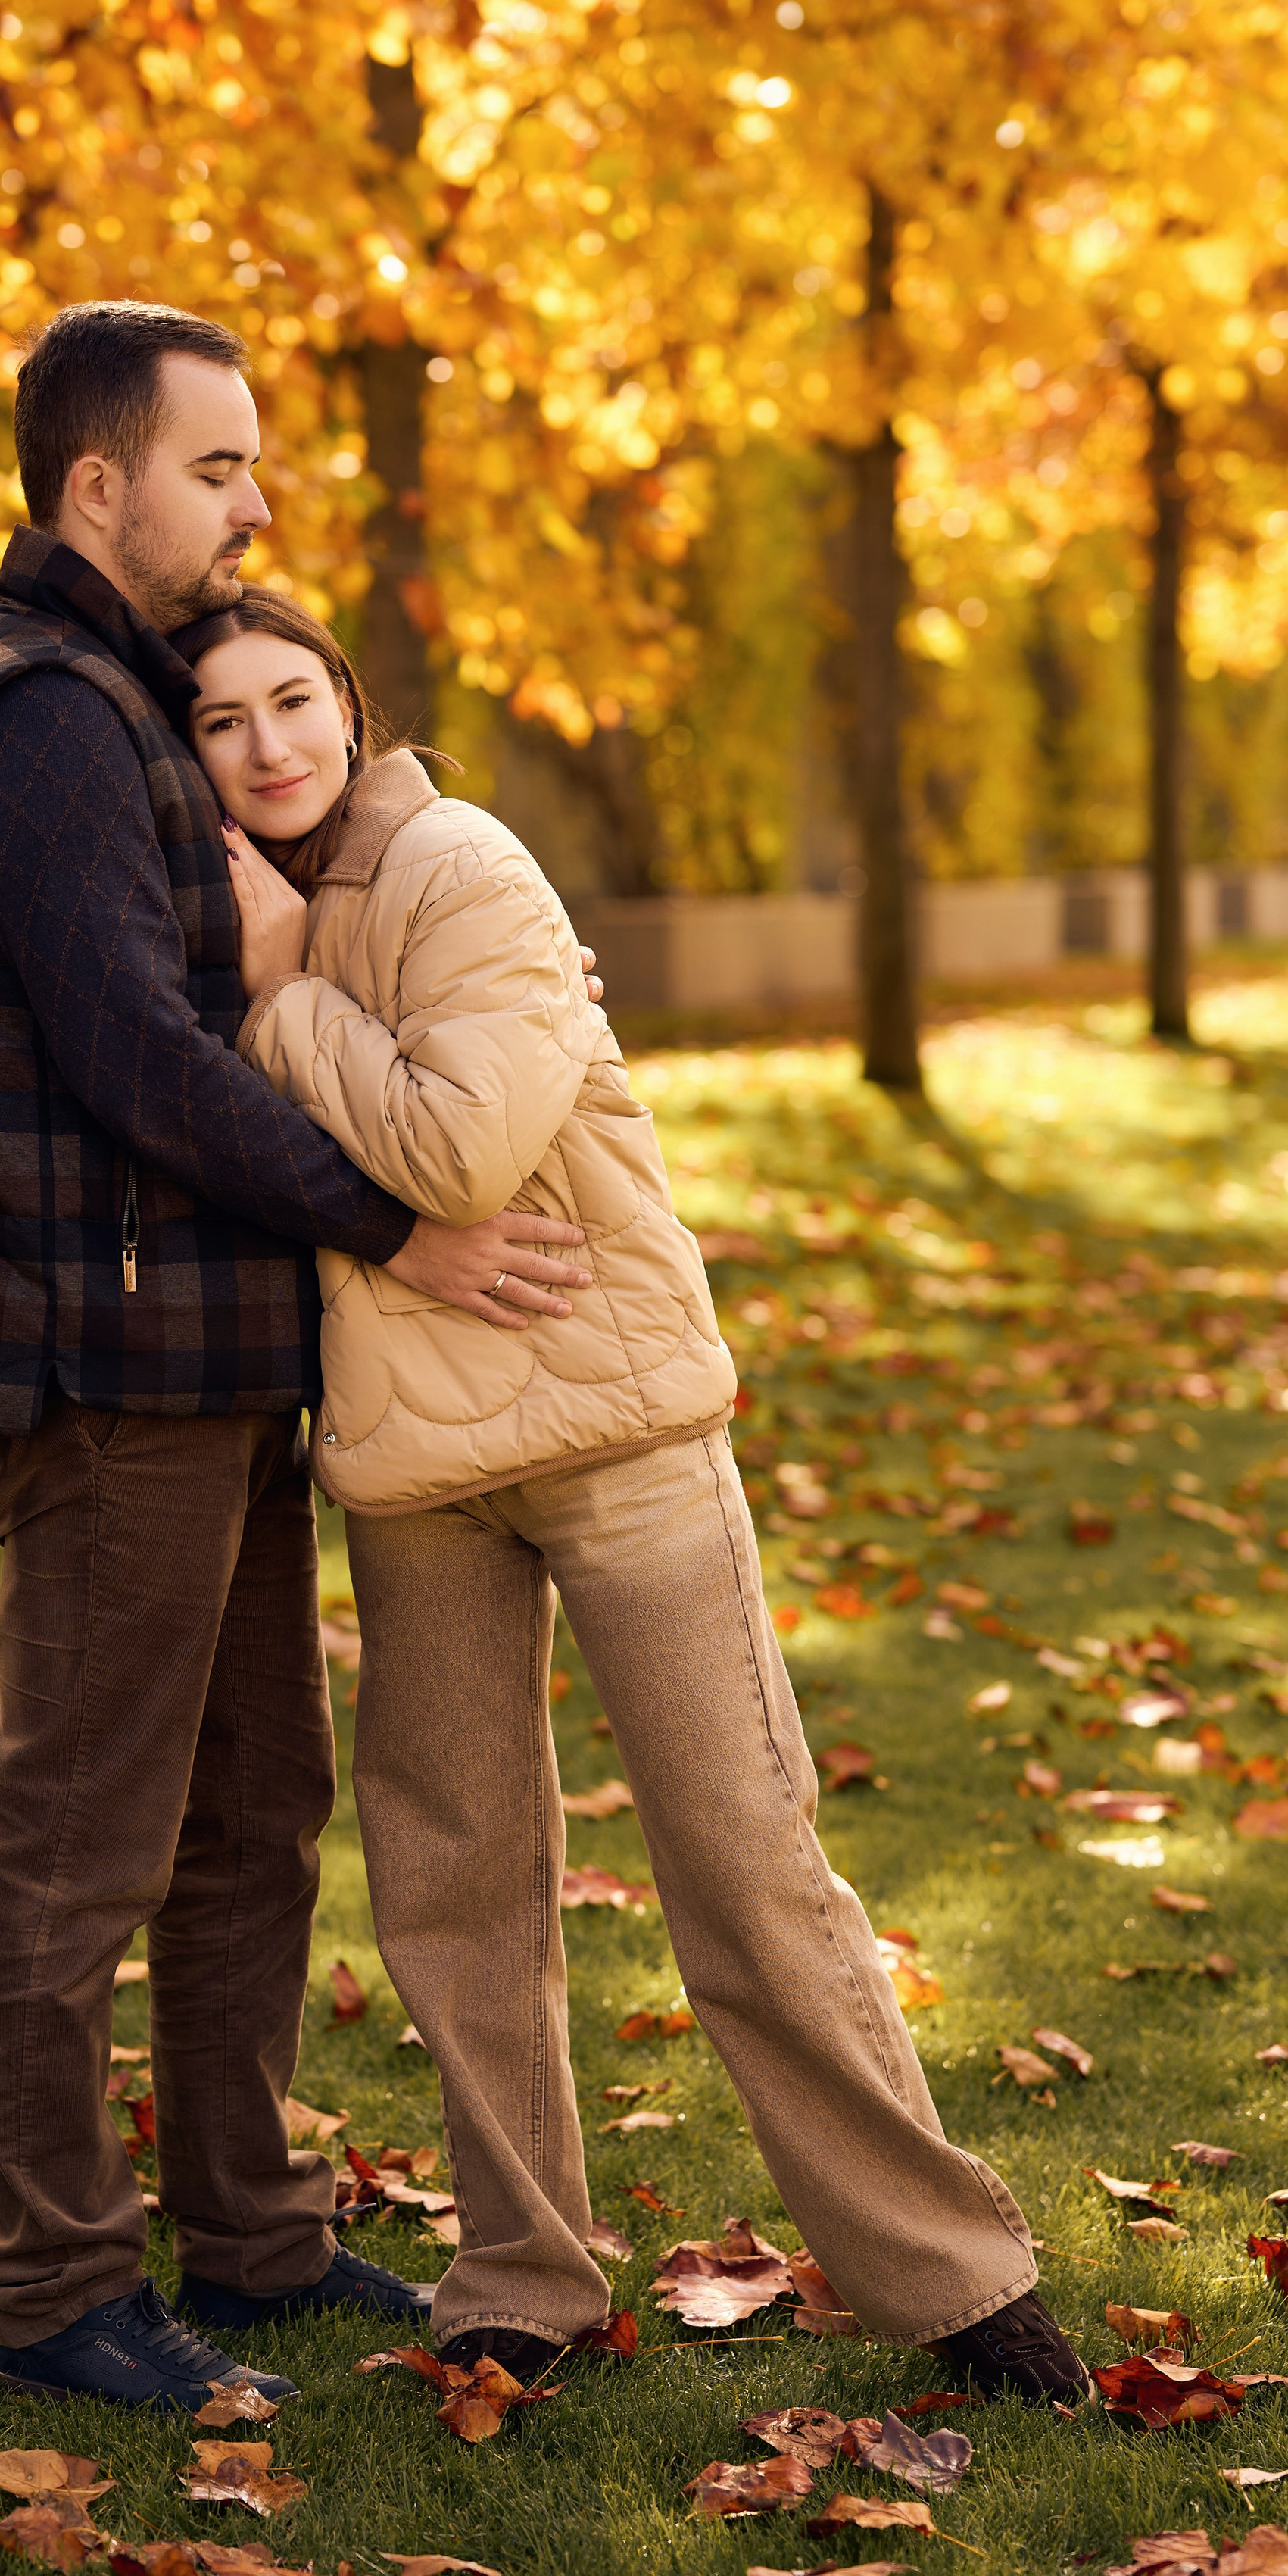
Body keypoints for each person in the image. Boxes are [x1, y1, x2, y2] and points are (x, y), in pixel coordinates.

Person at [174, 582, 1092, 2409]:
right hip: (413, 1464)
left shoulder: (460, 865)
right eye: (219, 719)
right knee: (453, 1884)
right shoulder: (199, 912)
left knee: (743, 1858)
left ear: (346, 706)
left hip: (609, 1427)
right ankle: (520, 2268)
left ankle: (953, 2275)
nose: (268, 743)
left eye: (292, 700)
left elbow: (463, 1145)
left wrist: (282, 1000)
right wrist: (258, 992)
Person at [0, 300, 600, 2411]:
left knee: (256, 1805)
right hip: (107, 1367)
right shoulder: (44, 718)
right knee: (83, 1832)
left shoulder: (115, 694)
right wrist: (399, 1224)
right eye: (215, 466)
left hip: (210, 1354)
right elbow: (129, 1052)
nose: (256, 501)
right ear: (96, 484)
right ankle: (55, 2287)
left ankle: (254, 2239)